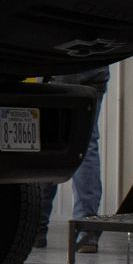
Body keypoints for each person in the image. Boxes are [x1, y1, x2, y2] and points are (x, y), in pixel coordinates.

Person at [40, 65, 109, 252]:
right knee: (86, 143)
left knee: (49, 143)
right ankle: (87, 229)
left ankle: (37, 227)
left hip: (60, 64)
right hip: (95, 68)